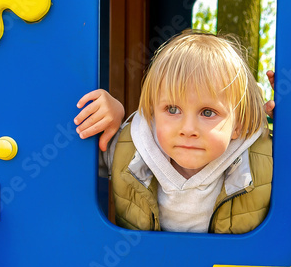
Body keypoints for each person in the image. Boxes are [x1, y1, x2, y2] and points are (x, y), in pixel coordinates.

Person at [74, 30, 273, 233]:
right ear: (153, 113)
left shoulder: (261, 160)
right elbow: (69, 158)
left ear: (238, 125)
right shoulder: (130, 149)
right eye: (172, 109)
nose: (188, 129)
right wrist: (106, 116)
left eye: (207, 112)